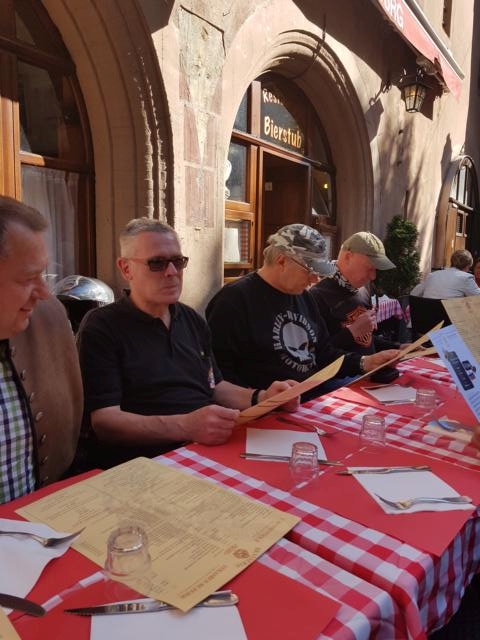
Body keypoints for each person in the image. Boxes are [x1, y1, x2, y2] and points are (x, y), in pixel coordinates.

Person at [77, 217, 298, 469]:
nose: (172, 272)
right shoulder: (102, 326)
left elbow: (214, 386)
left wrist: (264, 397)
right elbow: (105, 422)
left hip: (207, 449)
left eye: (178, 261)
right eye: (157, 263)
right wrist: (185, 426)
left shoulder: (192, 319)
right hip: (145, 465)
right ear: (126, 269)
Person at [206, 224, 399, 398]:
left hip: (311, 398)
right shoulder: (234, 300)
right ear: (282, 261)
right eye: (310, 270)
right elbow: (219, 375)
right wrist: (260, 398)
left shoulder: (304, 297)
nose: (315, 279)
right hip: (266, 410)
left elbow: (324, 354)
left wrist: (365, 362)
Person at [0, 196, 83, 504]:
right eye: (27, 278)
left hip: (41, 520)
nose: (45, 293)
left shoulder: (49, 318)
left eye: (43, 274)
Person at [310, 231, 399, 355]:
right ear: (348, 257)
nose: (373, 276)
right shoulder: (317, 296)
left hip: (370, 366)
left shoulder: (361, 290)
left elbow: (366, 340)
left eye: (375, 270)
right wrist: (352, 332)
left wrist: (398, 347)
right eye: (369, 268)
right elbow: (317, 354)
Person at [411, 250, 480, 298]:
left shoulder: (432, 275)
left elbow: (414, 293)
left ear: (451, 262)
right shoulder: (466, 278)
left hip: (427, 314)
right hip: (450, 314)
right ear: (468, 266)